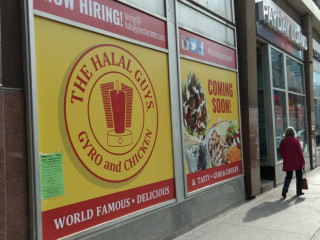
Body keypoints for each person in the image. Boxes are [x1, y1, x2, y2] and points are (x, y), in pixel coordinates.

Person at [279, 126, 305, 198]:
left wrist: (285, 157)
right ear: (294, 133)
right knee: (299, 176)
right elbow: (300, 153)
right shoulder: (296, 141)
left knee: (288, 176)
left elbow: (281, 151)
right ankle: (299, 191)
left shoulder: (283, 141)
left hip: (288, 162)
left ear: (286, 133)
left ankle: (285, 188)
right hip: (297, 162)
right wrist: (303, 163)